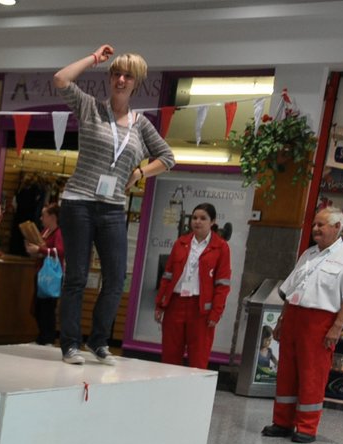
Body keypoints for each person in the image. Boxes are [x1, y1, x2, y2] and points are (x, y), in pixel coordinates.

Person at [50, 46, 175, 366]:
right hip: (78, 201)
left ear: (137, 83)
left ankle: (99, 341)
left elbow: (168, 158)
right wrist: (93, 59)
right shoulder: (90, 107)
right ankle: (70, 344)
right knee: (76, 275)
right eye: (116, 74)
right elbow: (61, 79)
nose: (120, 79)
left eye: (127, 76)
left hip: (112, 207)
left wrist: (138, 172)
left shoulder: (141, 124)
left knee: (116, 277)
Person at [261, 207, 343, 444]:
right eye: (315, 225)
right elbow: (290, 291)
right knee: (286, 373)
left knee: (312, 375)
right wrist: (282, 320)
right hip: (294, 319)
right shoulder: (308, 254)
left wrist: (337, 327)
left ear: (337, 227)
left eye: (322, 225)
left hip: (320, 322)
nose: (316, 229)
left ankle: (306, 427)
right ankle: (282, 422)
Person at [154, 202, 231, 370]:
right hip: (175, 303)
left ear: (212, 222)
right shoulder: (180, 243)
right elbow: (167, 276)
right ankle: (169, 391)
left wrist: (216, 312)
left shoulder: (221, 247)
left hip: (201, 310)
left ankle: (194, 395)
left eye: (203, 218)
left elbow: (222, 284)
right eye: (195, 218)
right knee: (170, 354)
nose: (197, 221)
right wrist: (160, 304)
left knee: (199, 357)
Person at [24, 201, 63, 345]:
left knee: (47, 307)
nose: (41, 219)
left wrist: (39, 250)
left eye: (44, 216)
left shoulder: (59, 232)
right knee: (38, 306)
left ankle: (48, 338)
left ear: (52, 217)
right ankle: (42, 336)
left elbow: (60, 251)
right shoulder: (45, 231)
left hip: (51, 275)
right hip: (41, 272)